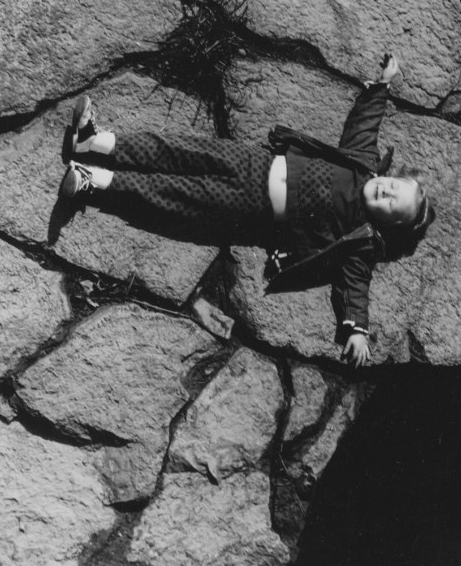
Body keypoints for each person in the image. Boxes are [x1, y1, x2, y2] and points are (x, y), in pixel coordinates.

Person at [59, 53, 435, 367]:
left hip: (251, 208)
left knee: (172, 193)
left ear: (386, 225)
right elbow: (365, 125)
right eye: (395, 185)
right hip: (254, 163)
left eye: (391, 203)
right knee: (174, 149)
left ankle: (91, 180)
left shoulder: (360, 241)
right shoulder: (361, 163)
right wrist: (383, 84)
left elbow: (356, 287)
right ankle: (94, 141)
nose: (386, 190)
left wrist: (357, 331)